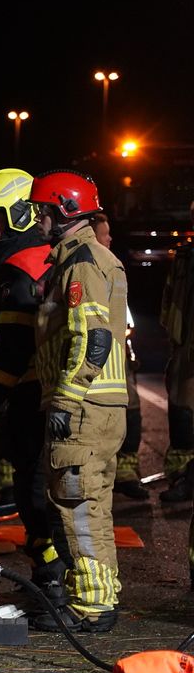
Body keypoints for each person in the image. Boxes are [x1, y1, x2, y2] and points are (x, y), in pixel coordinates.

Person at [29, 170, 128, 632]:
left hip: (85, 408)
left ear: (64, 209)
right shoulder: (81, 258)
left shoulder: (82, 262)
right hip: (101, 408)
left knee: (77, 506)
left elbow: (94, 338)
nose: (38, 218)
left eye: (44, 209)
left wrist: (65, 402)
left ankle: (91, 607)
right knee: (92, 506)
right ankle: (98, 599)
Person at [0, 169, 59, 590]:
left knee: (36, 493)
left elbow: (14, 348)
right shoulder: (30, 260)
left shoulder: (24, 266)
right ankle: (52, 576)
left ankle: (52, 580)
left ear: (22, 213)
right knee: (38, 490)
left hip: (34, 396)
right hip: (41, 395)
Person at [91, 212, 149, 499]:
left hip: (118, 358)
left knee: (131, 410)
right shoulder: (88, 268)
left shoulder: (112, 267)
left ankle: (127, 472)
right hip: (98, 359)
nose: (110, 238)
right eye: (105, 233)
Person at [159, 200, 194, 505]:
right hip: (186, 346)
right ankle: (182, 477)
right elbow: (171, 299)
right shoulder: (185, 256)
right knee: (182, 415)